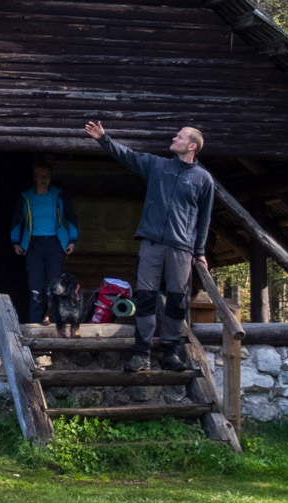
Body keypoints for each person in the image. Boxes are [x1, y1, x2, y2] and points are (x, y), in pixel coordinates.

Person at [83, 120, 213, 372]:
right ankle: (141, 354)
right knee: (145, 299)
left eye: (179, 136)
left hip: (181, 248)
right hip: (151, 243)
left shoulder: (203, 179)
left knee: (176, 302)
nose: (174, 138)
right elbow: (128, 156)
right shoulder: (158, 165)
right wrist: (103, 138)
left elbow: (204, 218)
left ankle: (171, 354)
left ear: (192, 145)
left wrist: (200, 251)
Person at [10, 162, 78, 323]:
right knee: (35, 284)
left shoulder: (58, 195)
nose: (43, 179)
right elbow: (17, 221)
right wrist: (16, 242)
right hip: (33, 245)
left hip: (55, 244)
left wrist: (72, 240)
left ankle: (55, 323)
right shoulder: (26, 197)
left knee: (55, 284)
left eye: (46, 175)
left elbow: (71, 217)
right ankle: (34, 323)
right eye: (40, 175)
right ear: (34, 177)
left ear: (50, 177)